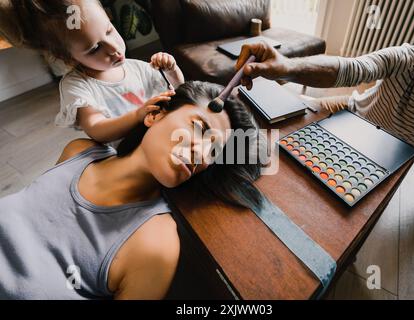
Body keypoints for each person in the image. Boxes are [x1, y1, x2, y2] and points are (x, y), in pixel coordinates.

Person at [0, 81, 264, 300]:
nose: (202, 153)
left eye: (213, 150)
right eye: (199, 127)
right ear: (155, 114)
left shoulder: (155, 242)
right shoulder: (77, 151)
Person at [235, 16, 414, 206]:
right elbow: (353, 68)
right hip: (349, 109)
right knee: (286, 112)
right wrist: (287, 67)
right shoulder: (411, 56)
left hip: (383, 154)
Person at [0, 0, 184, 146]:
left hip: (167, 138)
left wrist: (171, 70)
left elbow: (177, 89)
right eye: (95, 48)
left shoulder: (136, 67)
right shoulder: (78, 86)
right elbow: (96, 129)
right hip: (132, 155)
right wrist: (138, 115)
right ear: (67, 57)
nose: (114, 49)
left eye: (109, 30)